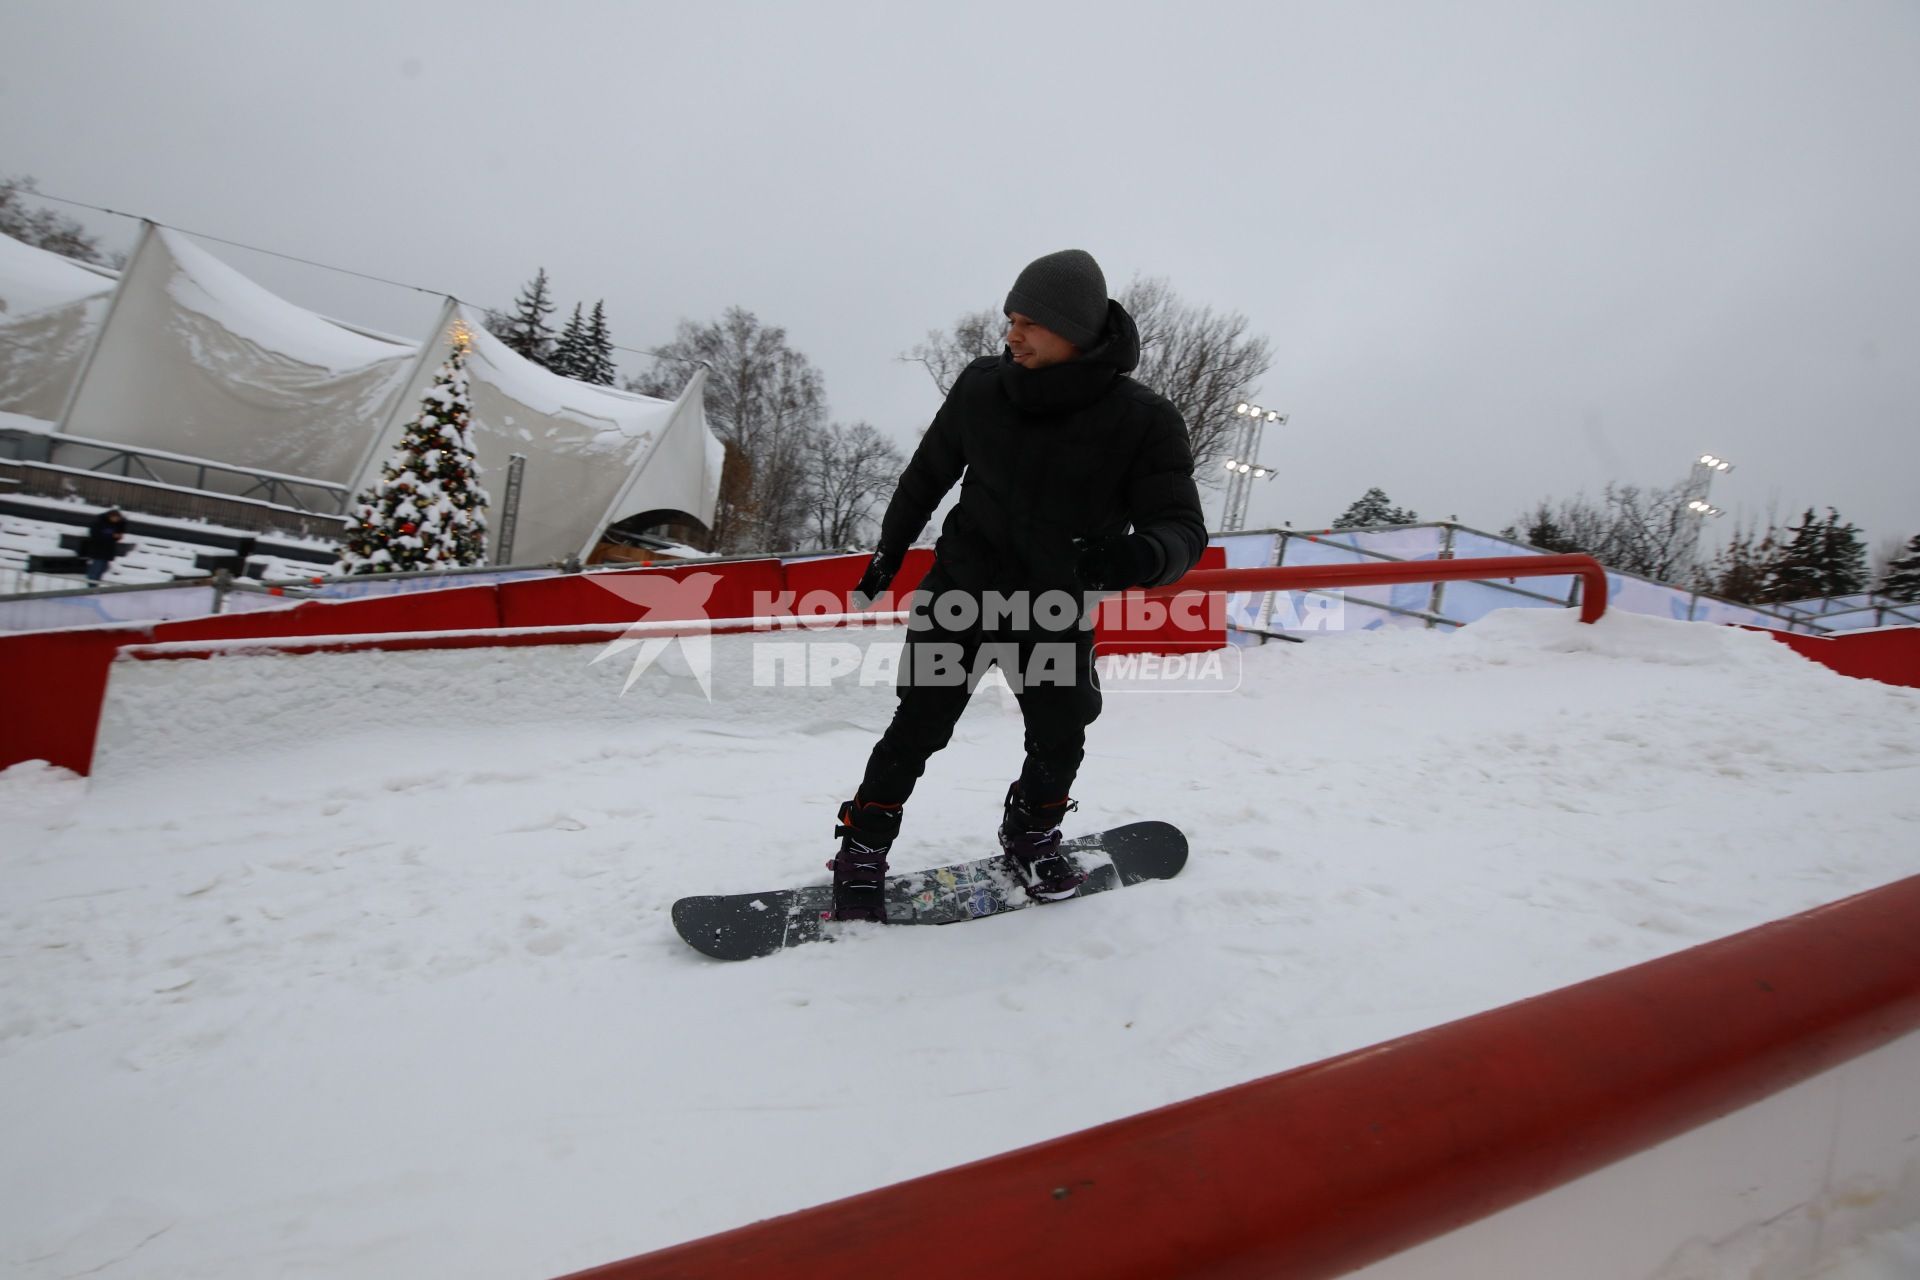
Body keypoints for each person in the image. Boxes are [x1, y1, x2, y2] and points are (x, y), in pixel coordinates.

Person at [830, 249, 1206, 921]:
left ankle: (1031, 832)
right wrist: (888, 552)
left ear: (1077, 327)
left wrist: (1138, 558)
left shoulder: (1143, 421)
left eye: (1030, 321)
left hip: (1055, 604)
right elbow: (927, 475)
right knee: (919, 721)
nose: (1012, 334)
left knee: (1061, 730)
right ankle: (863, 842)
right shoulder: (983, 387)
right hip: (963, 591)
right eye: (1010, 318)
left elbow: (1181, 526)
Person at [80, 507, 127, 585]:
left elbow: (119, 531)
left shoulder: (115, 524)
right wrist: (111, 535)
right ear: (110, 516)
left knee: (102, 569)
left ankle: (94, 585)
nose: (116, 520)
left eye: (118, 518)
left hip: (107, 551)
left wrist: (117, 535)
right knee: (96, 569)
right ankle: (91, 586)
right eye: (115, 518)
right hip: (98, 550)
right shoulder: (100, 522)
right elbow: (95, 535)